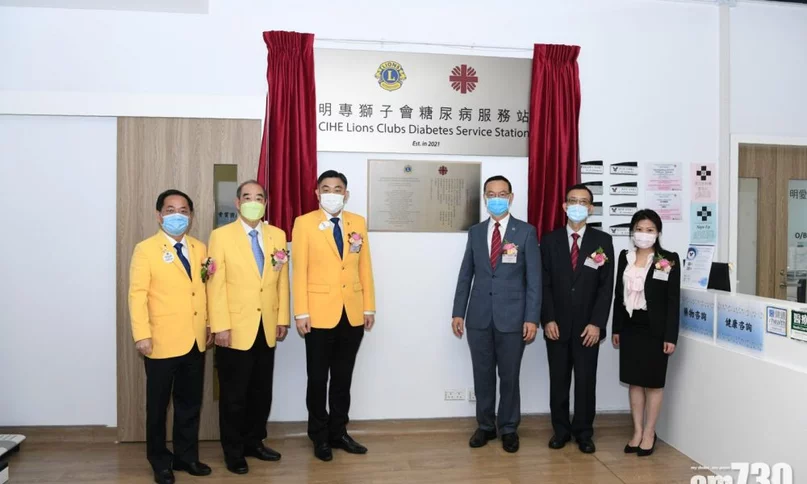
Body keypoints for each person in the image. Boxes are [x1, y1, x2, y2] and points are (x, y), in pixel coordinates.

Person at [451, 175, 541, 453]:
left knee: (510, 376)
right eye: (491, 194)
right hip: (478, 316)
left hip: (513, 318)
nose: (497, 199)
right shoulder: (476, 232)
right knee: (483, 374)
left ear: (511, 198)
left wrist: (531, 318)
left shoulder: (526, 231)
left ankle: (509, 427)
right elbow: (466, 274)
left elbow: (534, 280)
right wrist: (458, 312)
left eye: (502, 194)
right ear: (485, 198)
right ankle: (486, 425)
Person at [128, 189, 213, 484]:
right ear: (159, 215)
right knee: (158, 407)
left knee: (190, 404)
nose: (178, 215)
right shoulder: (145, 249)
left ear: (191, 216)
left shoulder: (200, 248)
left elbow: (204, 290)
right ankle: (159, 461)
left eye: (184, 210)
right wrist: (141, 335)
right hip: (160, 342)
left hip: (194, 340)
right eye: (170, 210)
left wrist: (208, 324)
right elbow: (137, 295)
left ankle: (186, 457)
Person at [291, 170, 376, 462]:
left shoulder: (357, 222)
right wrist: (301, 312)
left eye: (337, 189)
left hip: (351, 313)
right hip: (316, 315)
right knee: (317, 379)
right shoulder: (304, 223)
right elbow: (299, 271)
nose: (332, 193)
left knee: (342, 378)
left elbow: (364, 266)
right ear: (317, 193)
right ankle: (319, 435)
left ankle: (338, 432)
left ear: (346, 194)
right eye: (326, 188)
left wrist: (368, 306)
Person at [207, 180, 290, 475]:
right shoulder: (221, 236)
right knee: (234, 395)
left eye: (259, 197)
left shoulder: (277, 235)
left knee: (261, 392)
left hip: (266, 327)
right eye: (247, 197)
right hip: (234, 329)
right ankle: (233, 451)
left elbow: (281, 282)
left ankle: (254, 442)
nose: (253, 202)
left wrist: (282, 318)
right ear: (238, 203)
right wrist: (220, 326)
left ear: (265, 203)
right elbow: (215, 286)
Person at [540, 183, 614, 454]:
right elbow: (544, 283)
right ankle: (560, 431)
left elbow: (606, 287)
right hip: (557, 326)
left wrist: (597, 323)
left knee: (585, 382)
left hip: (587, 328)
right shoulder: (549, 240)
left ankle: (584, 432)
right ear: (564, 206)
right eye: (573, 201)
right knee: (558, 382)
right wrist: (548, 319)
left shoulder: (602, 241)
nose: (578, 206)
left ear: (591, 208)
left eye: (583, 202)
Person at [612, 209, 680, 457]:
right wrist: (616, 328)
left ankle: (650, 433)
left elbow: (673, 301)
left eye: (650, 230)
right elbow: (618, 296)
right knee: (634, 381)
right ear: (632, 232)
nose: (644, 234)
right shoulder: (625, 257)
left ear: (658, 232)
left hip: (656, 329)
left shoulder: (668, 259)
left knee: (653, 383)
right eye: (639, 229)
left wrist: (670, 336)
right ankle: (637, 431)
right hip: (630, 326)